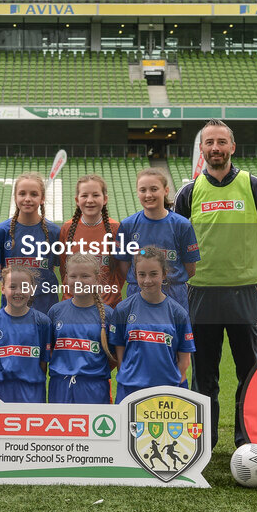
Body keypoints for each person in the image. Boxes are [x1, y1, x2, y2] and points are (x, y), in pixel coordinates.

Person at [174, 119, 257, 449]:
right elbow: (174, 236)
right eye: (209, 142)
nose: (215, 148)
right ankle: (204, 445)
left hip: (245, 294)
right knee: (204, 376)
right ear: (202, 149)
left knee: (248, 374)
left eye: (222, 142)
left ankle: (247, 442)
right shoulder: (190, 191)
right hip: (201, 295)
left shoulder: (252, 185)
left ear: (232, 147)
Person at [110, 246, 195, 402]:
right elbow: (119, 353)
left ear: (164, 274)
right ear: (135, 275)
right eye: (142, 274)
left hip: (166, 391)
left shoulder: (178, 313)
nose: (147, 280)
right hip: (130, 390)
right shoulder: (123, 309)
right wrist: (127, 378)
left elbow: (184, 360)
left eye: (153, 274)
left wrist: (172, 388)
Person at [116, 168, 200, 309]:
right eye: (143, 190)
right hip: (138, 294)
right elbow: (124, 267)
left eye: (154, 189)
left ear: (166, 190)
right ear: (137, 192)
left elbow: (190, 268)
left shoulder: (182, 225)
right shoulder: (127, 225)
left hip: (174, 296)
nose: (148, 195)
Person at [46, 253, 117, 403]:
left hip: (94, 387)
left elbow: (113, 357)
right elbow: (49, 349)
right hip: (60, 386)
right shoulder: (56, 311)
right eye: (73, 276)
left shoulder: (108, 315)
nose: (78, 281)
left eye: (85, 276)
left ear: (97, 279)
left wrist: (91, 371)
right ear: (65, 278)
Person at [0, 172, 61, 315]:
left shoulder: (54, 232)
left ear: (42, 198)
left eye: (34, 194)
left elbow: (60, 271)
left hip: (45, 308)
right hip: (11, 310)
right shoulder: (1, 231)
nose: (27, 199)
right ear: (15, 197)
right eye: (22, 194)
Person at [0, 265, 51, 402]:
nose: (18, 292)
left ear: (32, 290)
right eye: (12, 287)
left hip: (33, 391)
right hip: (1, 390)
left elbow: (43, 363)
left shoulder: (43, 322)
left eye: (24, 287)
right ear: (2, 289)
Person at [58, 174, 124, 307]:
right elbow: (64, 270)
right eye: (84, 195)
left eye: (95, 195)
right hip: (72, 306)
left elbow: (121, 271)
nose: (90, 200)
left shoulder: (116, 228)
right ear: (77, 200)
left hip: (108, 306)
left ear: (105, 199)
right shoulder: (67, 228)